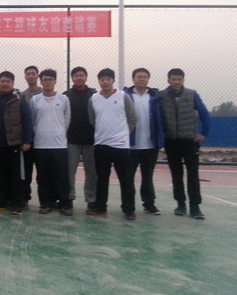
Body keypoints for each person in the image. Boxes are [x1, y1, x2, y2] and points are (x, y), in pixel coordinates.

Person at [87, 68, 138, 220]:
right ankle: (101, 206)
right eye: (102, 79)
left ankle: (129, 209)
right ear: (99, 81)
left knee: (126, 179)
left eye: (108, 79)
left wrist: (123, 135)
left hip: (121, 146)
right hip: (101, 144)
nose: (105, 82)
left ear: (113, 81)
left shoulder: (123, 97)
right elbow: (92, 120)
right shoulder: (93, 99)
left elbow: (132, 118)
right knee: (102, 178)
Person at [161, 68, 210, 220]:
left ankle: (195, 207)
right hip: (171, 141)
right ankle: (180, 204)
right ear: (168, 80)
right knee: (176, 174)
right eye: (173, 79)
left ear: (183, 80)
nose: (176, 82)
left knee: (193, 174)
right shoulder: (162, 96)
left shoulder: (192, 95)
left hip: (189, 141)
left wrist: (204, 133)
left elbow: (204, 114)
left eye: (179, 79)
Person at [0, 71, 33, 215]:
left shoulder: (19, 99)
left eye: (8, 81)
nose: (5, 84)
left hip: (14, 144)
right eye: (3, 81)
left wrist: (27, 140)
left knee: (16, 175)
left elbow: (27, 119)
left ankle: (17, 203)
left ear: (12, 83)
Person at [30, 69, 71, 215]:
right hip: (40, 144)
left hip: (59, 144)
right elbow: (32, 121)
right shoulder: (35, 100)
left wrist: (59, 133)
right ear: (41, 81)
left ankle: (65, 204)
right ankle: (45, 204)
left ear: (55, 81)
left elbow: (67, 119)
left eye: (51, 79)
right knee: (42, 177)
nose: (48, 82)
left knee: (62, 176)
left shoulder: (64, 99)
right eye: (45, 79)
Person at [124, 68, 165, 215]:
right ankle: (128, 206)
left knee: (147, 177)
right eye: (139, 76)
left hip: (150, 145)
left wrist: (160, 138)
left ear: (148, 79)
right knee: (128, 178)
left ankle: (149, 204)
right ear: (133, 79)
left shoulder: (155, 97)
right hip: (131, 145)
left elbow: (161, 118)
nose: (142, 79)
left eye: (144, 77)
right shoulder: (125, 96)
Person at [63, 66, 97, 213]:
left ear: (86, 77)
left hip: (91, 140)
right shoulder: (66, 96)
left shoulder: (94, 95)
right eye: (76, 75)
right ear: (72, 78)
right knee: (69, 171)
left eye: (81, 75)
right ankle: (69, 198)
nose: (79, 78)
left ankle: (91, 200)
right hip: (72, 140)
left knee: (92, 172)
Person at [21, 65, 43, 205]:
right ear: (25, 77)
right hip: (27, 140)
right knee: (26, 171)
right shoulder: (22, 96)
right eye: (28, 74)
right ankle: (24, 196)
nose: (30, 76)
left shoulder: (45, 93)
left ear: (37, 76)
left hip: (43, 140)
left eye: (33, 73)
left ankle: (46, 199)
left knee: (43, 172)